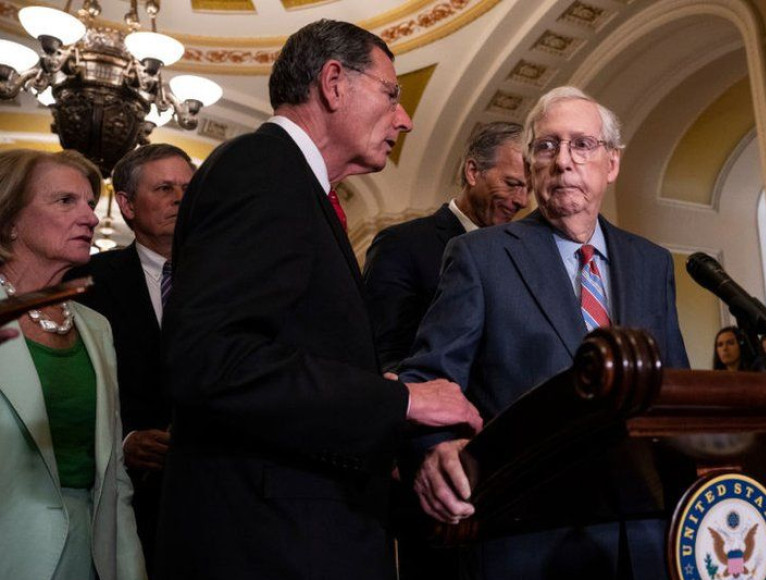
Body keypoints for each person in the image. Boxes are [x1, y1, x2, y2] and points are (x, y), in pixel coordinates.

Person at [158, 19, 482, 580]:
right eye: (390, 93)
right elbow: (211, 360)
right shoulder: (260, 169)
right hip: (264, 545)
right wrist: (403, 402)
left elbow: (279, 351)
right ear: (334, 83)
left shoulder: (295, 185)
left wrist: (373, 393)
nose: (404, 119)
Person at [399, 86, 689, 580]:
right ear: (532, 167)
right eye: (547, 146)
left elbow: (675, 385)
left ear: (611, 164)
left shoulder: (652, 262)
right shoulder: (481, 256)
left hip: (643, 535)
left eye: (582, 144)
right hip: (527, 534)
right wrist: (434, 452)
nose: (563, 162)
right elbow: (431, 376)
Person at [0, 149, 145, 580]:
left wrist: (130, 568)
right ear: (10, 220)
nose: (91, 218)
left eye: (89, 203)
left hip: (89, 551)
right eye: (66, 201)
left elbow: (114, 477)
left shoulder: (96, 326)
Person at [66, 143, 195, 573]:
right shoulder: (84, 283)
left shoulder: (235, 281)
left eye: (187, 187)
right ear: (126, 205)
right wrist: (123, 444)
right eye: (164, 188)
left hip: (220, 498)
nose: (180, 198)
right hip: (128, 505)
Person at [363, 121, 528, 372]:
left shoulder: (521, 256)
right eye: (512, 184)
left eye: (529, 189)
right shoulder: (402, 244)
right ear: (473, 172)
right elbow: (384, 355)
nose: (522, 201)